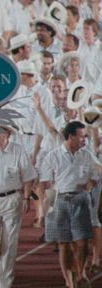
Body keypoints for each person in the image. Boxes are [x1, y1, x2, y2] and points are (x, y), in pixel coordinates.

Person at [40, 121, 99, 288]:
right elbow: (45, 182)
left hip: (81, 200)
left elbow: (94, 176)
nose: (84, 140)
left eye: (85, 137)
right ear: (71, 137)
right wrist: (47, 208)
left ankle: (81, 273)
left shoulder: (86, 155)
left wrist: (90, 184)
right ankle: (68, 281)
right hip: (60, 201)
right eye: (81, 136)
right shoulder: (53, 156)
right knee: (64, 243)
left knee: (82, 241)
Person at [0, 125, 36, 288]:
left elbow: (27, 177)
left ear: (7, 134)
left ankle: (5, 281)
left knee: (10, 242)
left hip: (11, 198)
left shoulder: (18, 151)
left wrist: (26, 198)